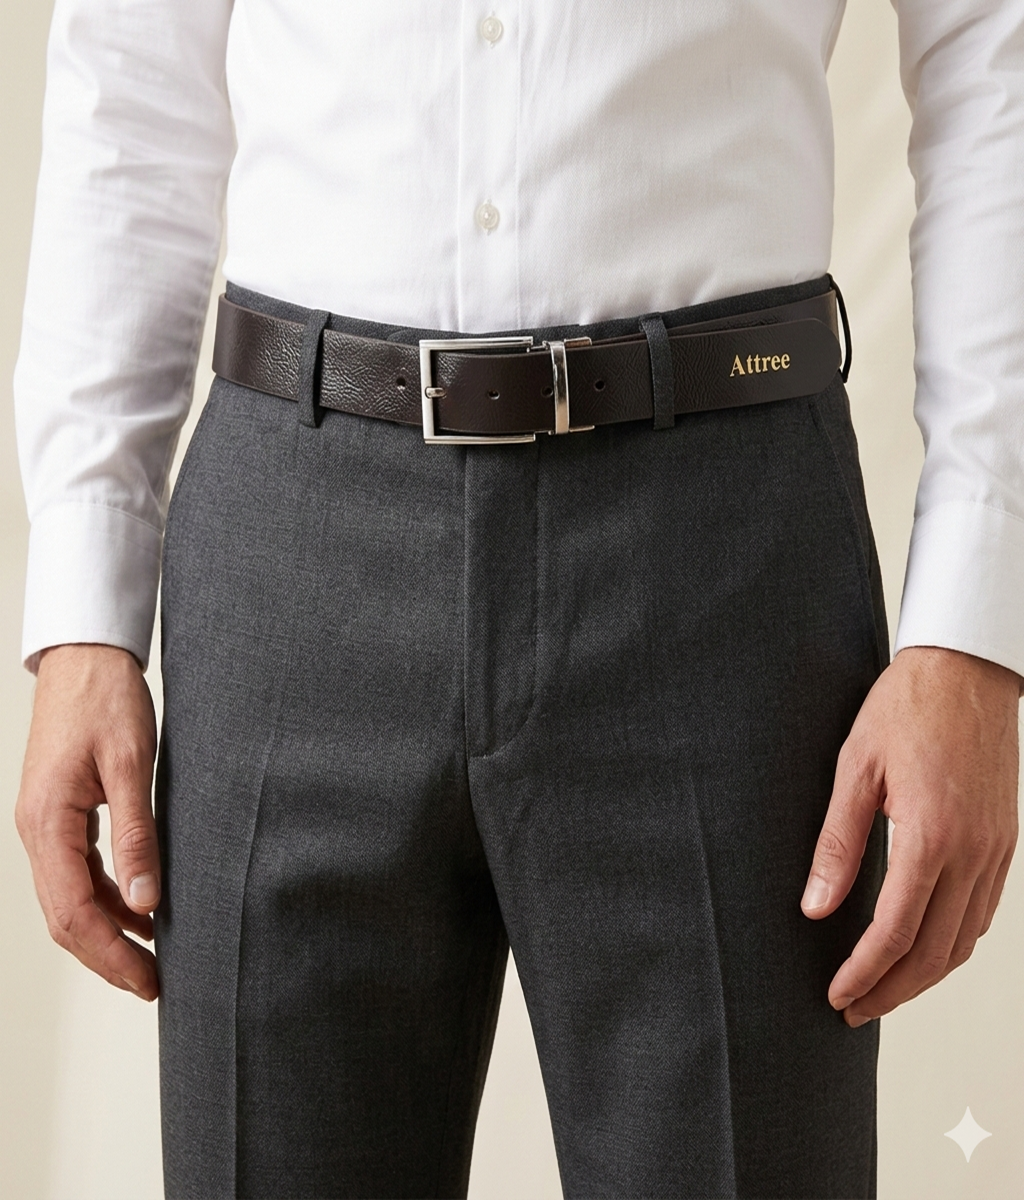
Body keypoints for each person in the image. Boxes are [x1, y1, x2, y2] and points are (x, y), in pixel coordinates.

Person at [12, 3, 1023, 1198]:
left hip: (719, 555)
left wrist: (973, 626)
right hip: (292, 538)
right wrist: (84, 609)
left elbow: (994, 60)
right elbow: (129, 86)